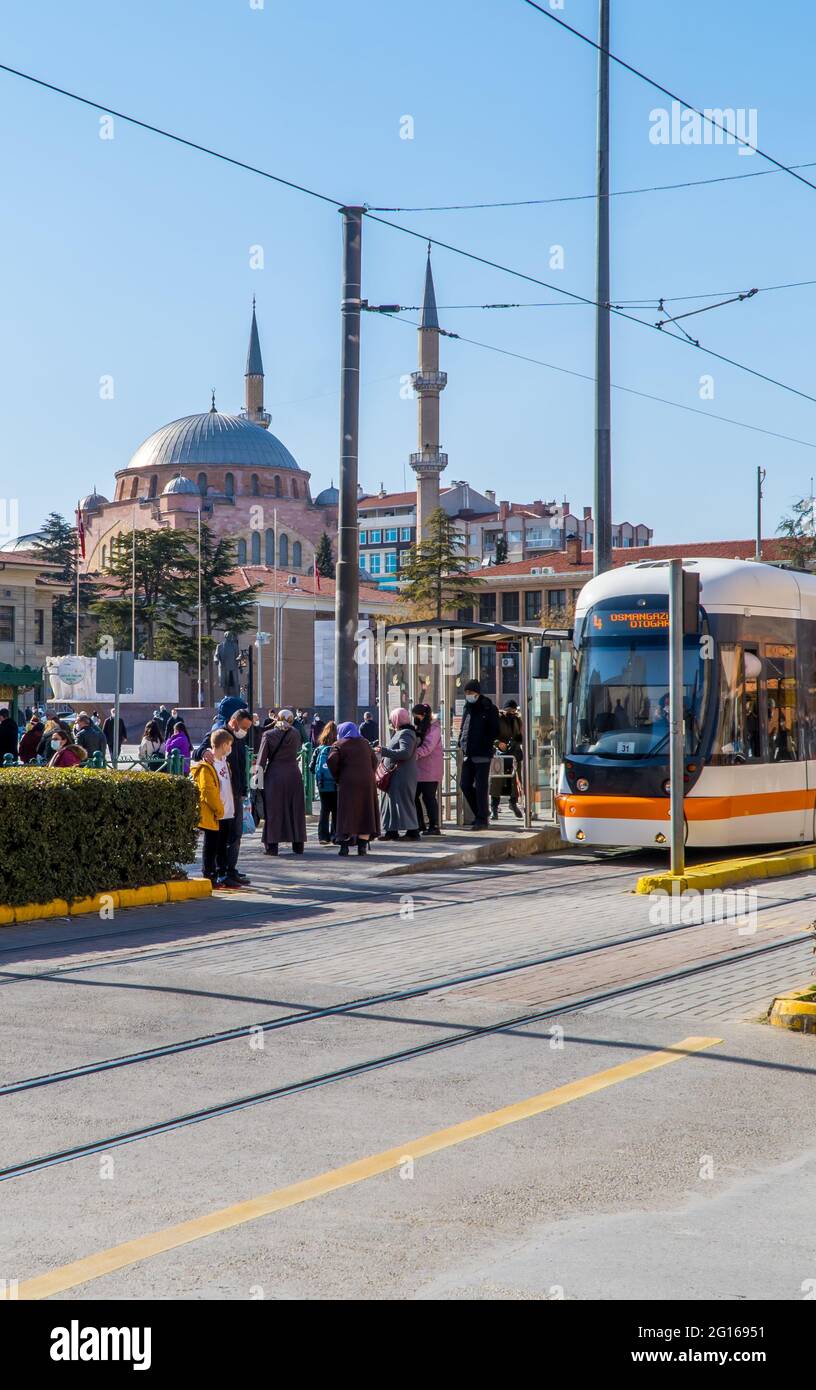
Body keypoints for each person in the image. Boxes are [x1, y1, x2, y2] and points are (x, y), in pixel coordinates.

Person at [193, 699, 254, 886]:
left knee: (234, 834)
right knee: (221, 838)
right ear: (234, 720)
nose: (245, 731)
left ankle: (229, 869)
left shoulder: (238, 738)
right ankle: (220, 871)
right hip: (221, 799)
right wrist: (204, 752)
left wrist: (243, 789)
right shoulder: (219, 732)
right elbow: (200, 750)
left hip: (234, 793)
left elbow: (240, 765)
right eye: (244, 727)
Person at [256, 708, 307, 855]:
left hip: (274, 776)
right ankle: (298, 845)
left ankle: (272, 846)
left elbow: (261, 761)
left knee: (274, 811)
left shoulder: (268, 735)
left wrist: (257, 784)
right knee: (295, 810)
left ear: (276, 719)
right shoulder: (295, 734)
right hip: (293, 775)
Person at [190, 728, 235, 888]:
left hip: (226, 812)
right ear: (223, 745)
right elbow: (207, 791)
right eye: (229, 744)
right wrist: (218, 809)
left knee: (222, 846)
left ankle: (221, 873)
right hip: (215, 813)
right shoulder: (208, 766)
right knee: (211, 846)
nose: (230, 748)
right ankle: (209, 874)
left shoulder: (224, 762)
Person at [327, 721, 380, 855]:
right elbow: (375, 761)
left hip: (348, 782)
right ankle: (362, 847)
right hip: (367, 782)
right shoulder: (365, 743)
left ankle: (344, 847)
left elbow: (331, 761)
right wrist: (368, 773)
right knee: (365, 811)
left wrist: (338, 775)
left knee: (347, 812)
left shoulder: (339, 744)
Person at [458, 679, 500, 830]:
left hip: (482, 753)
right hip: (468, 752)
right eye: (466, 693)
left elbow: (495, 730)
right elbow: (464, 726)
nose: (468, 695)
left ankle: (482, 819)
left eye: (470, 692)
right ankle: (481, 813)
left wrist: (484, 742)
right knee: (464, 784)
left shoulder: (489, 708)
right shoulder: (467, 708)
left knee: (481, 786)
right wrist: (460, 741)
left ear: (477, 693)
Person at [378, 707, 419, 841]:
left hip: (402, 775)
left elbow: (405, 752)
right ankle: (391, 831)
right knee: (390, 802)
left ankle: (413, 832)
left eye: (392, 719)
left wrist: (384, 751)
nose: (391, 721)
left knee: (403, 802)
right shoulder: (400, 732)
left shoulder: (406, 733)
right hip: (394, 774)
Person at [412, 703, 443, 835]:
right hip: (420, 769)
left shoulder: (434, 728)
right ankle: (420, 824)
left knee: (428, 797)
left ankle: (434, 826)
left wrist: (413, 754)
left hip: (430, 769)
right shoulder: (421, 727)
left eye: (416, 716)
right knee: (414, 796)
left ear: (423, 715)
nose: (415, 718)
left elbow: (428, 747)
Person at [491, 699, 523, 821]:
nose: (511, 712)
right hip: (500, 754)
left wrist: (517, 740)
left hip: (514, 754)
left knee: (514, 782)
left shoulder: (516, 720)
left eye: (513, 710)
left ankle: (513, 803)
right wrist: (498, 743)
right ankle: (494, 808)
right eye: (509, 710)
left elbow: (519, 736)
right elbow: (492, 735)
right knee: (497, 782)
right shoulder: (497, 719)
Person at [310, 720, 338, 843]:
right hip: (336, 784)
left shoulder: (319, 749)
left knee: (324, 810)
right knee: (336, 810)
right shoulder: (337, 748)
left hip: (322, 784)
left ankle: (323, 836)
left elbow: (311, 768)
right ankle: (335, 835)